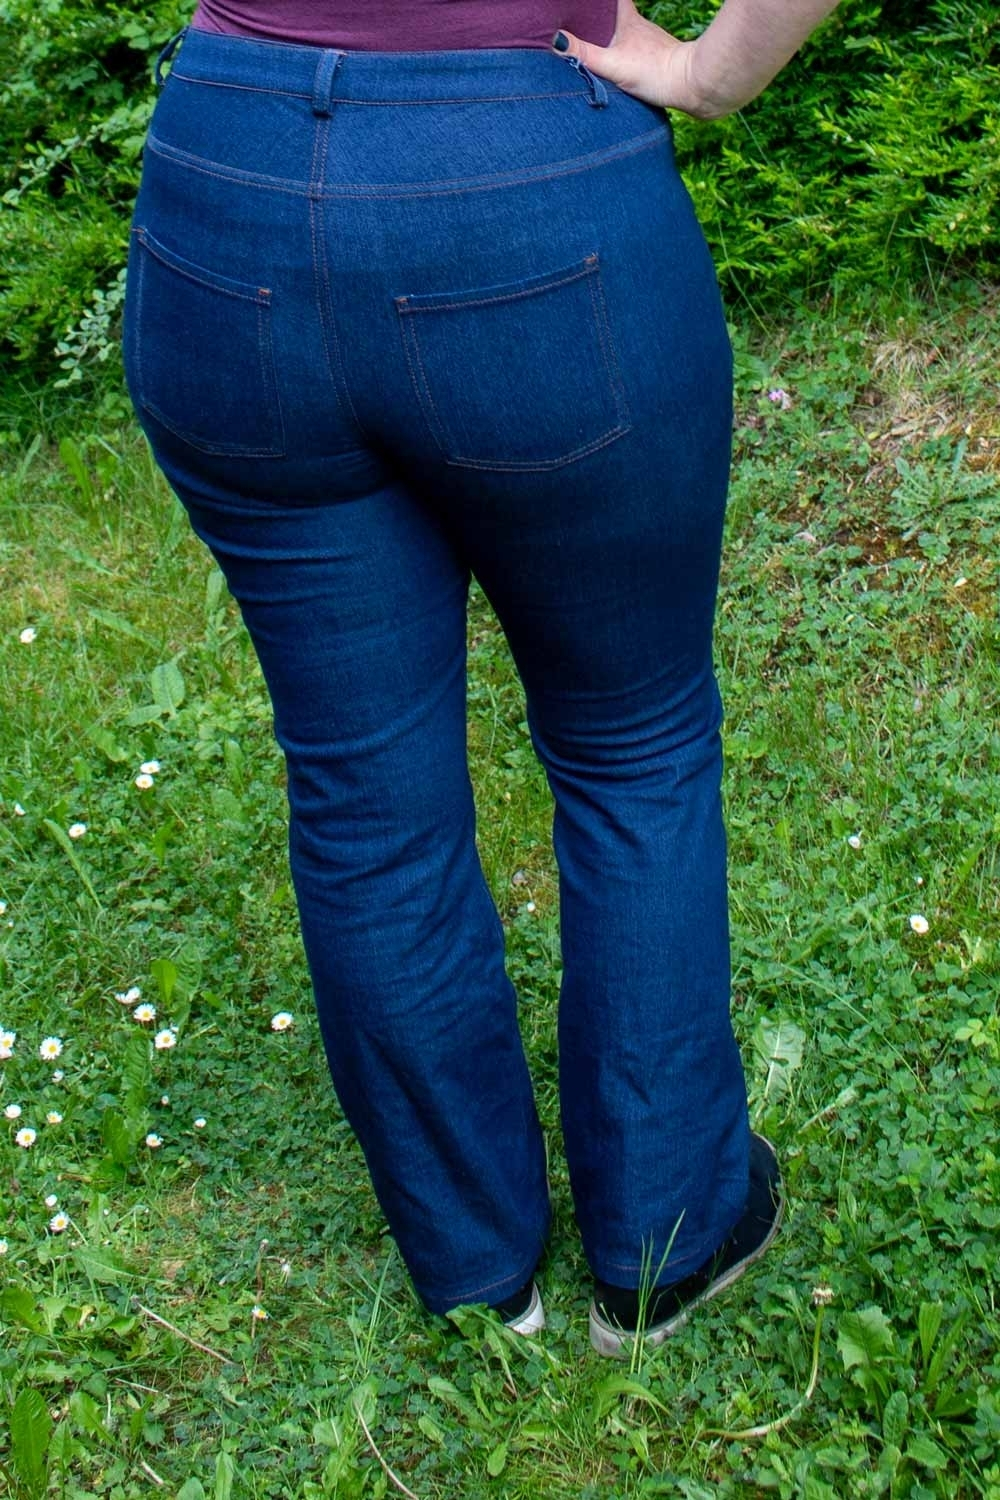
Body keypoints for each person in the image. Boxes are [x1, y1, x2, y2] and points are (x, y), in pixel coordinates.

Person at [123, 0, 840, 1356]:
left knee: (362, 792)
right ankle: (666, 1245)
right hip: (523, 187)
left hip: (228, 180)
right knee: (634, 739)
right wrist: (711, 72)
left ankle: (477, 1273)